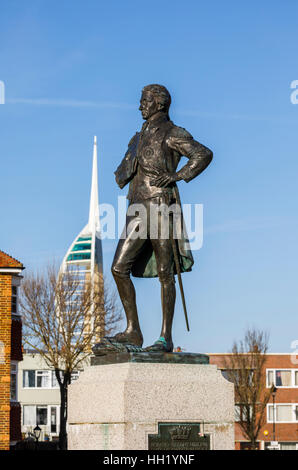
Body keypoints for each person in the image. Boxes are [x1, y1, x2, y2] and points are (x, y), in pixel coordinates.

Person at [110, 84, 213, 352]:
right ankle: (133, 332)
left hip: (160, 206)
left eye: (144, 100)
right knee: (118, 268)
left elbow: (203, 154)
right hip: (137, 208)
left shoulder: (171, 132)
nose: (139, 105)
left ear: (159, 104)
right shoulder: (138, 136)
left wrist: (178, 176)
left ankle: (165, 337)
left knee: (166, 273)